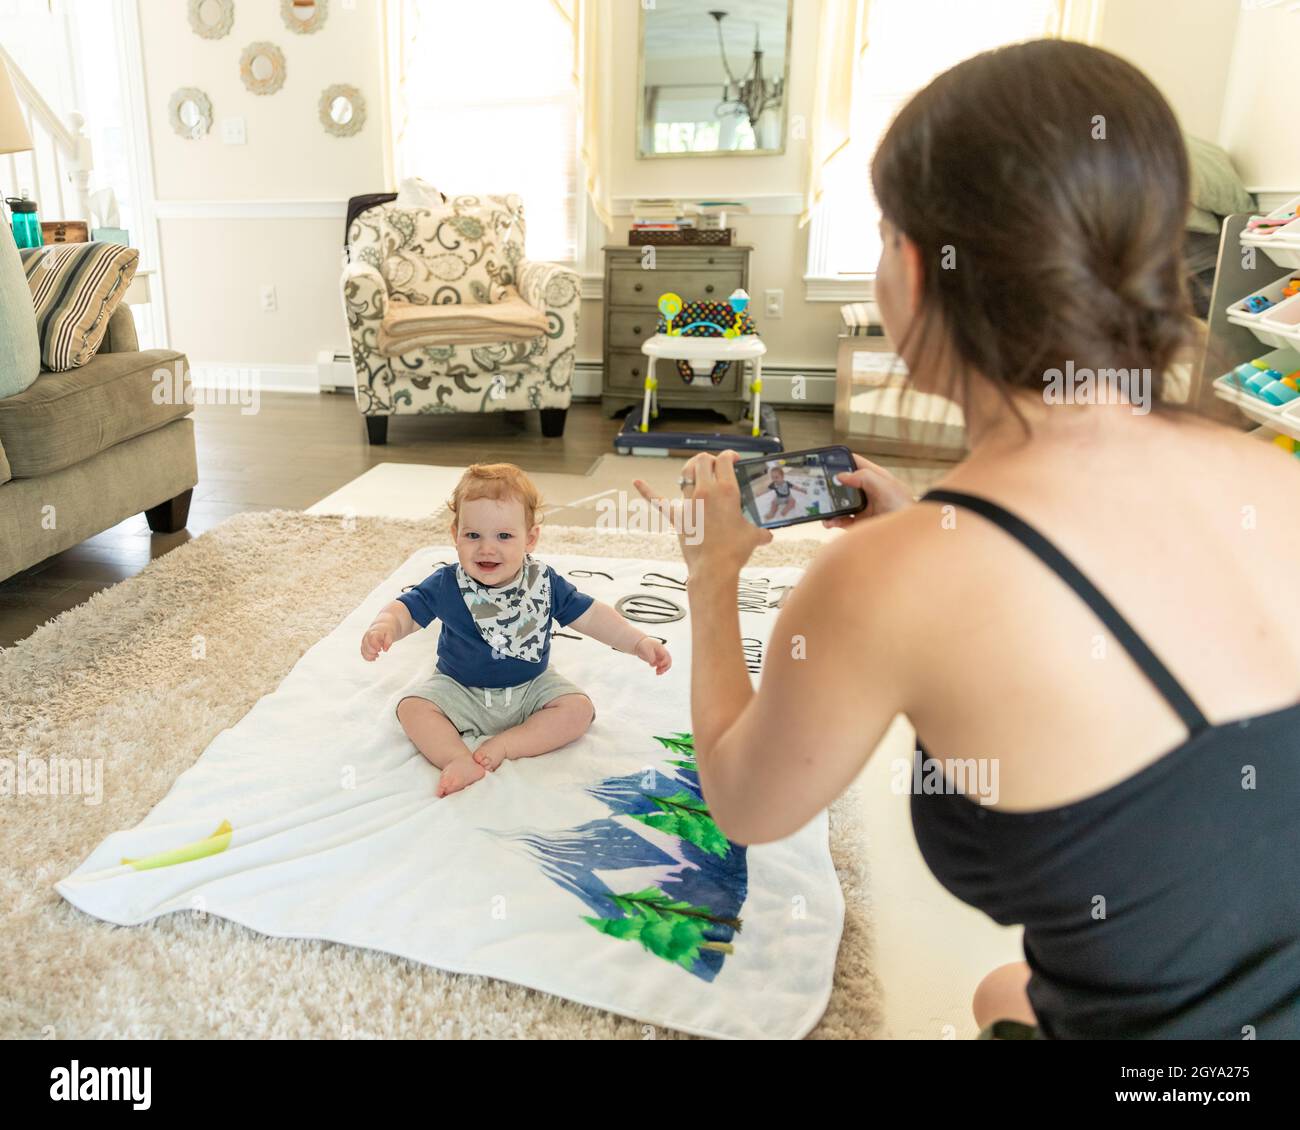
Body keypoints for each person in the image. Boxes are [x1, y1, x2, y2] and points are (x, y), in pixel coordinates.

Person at [635, 39, 1300, 1039]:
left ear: (912, 265)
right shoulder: (1272, 474)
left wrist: (714, 571)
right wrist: (927, 539)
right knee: (1004, 992)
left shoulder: (883, 582)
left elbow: (739, 801)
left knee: (1000, 994)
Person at [363, 463, 670, 797]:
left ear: (531, 539)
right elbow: (409, 608)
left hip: (531, 688)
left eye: (504, 536)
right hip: (459, 689)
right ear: (455, 535)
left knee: (578, 710)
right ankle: (456, 757)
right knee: (412, 708)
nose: (487, 548)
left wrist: (637, 641)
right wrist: (386, 625)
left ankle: (508, 745)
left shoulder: (544, 583)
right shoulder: (448, 583)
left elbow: (592, 616)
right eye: (473, 535)